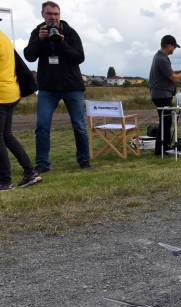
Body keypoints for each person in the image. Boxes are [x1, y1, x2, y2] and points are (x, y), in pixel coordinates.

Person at [23, 1, 89, 173]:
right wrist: (39, 40)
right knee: (42, 126)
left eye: (56, 14)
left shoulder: (70, 32)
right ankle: (43, 163)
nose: (53, 17)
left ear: (60, 15)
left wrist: (62, 43)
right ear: (43, 15)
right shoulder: (37, 32)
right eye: (49, 14)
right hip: (47, 88)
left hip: (72, 86)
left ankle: (84, 160)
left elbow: (79, 57)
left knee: (79, 125)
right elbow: (29, 56)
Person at [0, 28, 42, 191]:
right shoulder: (4, 37)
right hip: (11, 92)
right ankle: (30, 172)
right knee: (7, 136)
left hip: (2, 95)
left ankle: (4, 180)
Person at [148, 35, 181, 155]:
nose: (174, 49)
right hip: (161, 95)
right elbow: (174, 77)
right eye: (174, 47)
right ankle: (162, 149)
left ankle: (164, 147)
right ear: (169, 45)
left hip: (160, 94)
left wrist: (176, 89)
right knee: (165, 122)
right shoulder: (161, 59)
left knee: (166, 122)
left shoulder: (160, 57)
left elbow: (170, 75)